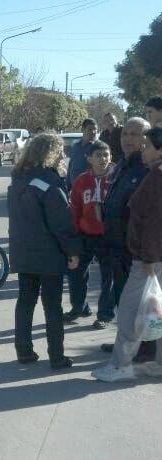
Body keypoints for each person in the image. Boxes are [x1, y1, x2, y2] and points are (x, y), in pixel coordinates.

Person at [93, 126, 162, 382]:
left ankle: (120, 366)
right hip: (153, 257)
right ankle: (158, 364)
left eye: (146, 146)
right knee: (156, 310)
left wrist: (149, 258)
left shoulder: (157, 175)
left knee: (130, 313)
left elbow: (154, 220)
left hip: (148, 259)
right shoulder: (153, 172)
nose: (141, 150)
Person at [8, 134, 82, 370]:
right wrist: (72, 251)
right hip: (48, 256)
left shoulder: (18, 181)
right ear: (52, 153)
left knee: (25, 302)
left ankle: (24, 351)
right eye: (60, 151)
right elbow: (61, 223)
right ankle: (57, 357)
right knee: (52, 306)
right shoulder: (49, 183)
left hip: (23, 253)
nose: (63, 156)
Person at [99, 118, 153, 354]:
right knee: (123, 300)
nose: (128, 139)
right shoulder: (122, 165)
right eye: (125, 135)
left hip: (136, 250)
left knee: (142, 302)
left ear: (145, 139)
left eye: (134, 134)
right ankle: (126, 341)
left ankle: (144, 348)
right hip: (116, 247)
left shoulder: (147, 169)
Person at [64, 140, 115, 329]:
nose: (103, 159)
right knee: (75, 273)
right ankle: (79, 307)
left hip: (108, 237)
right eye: (99, 155)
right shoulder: (81, 180)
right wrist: (74, 233)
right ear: (89, 159)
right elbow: (75, 208)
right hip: (84, 235)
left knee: (108, 277)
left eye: (106, 155)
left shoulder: (116, 177)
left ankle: (104, 315)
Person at [67, 118, 99, 189]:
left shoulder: (97, 148)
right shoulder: (75, 146)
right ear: (83, 129)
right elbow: (71, 166)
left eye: (95, 129)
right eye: (90, 129)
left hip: (89, 189)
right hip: (74, 188)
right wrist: (68, 186)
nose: (93, 132)